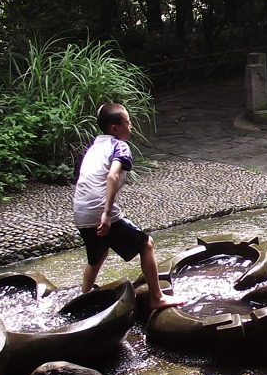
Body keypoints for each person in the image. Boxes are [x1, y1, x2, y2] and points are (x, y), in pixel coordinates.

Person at [72, 103, 183, 309]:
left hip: (80, 210)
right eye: (128, 122)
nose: (131, 127)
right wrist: (106, 214)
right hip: (99, 209)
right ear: (115, 128)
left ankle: (82, 298)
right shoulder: (120, 146)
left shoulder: (95, 146)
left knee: (97, 255)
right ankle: (157, 298)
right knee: (146, 244)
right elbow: (113, 176)